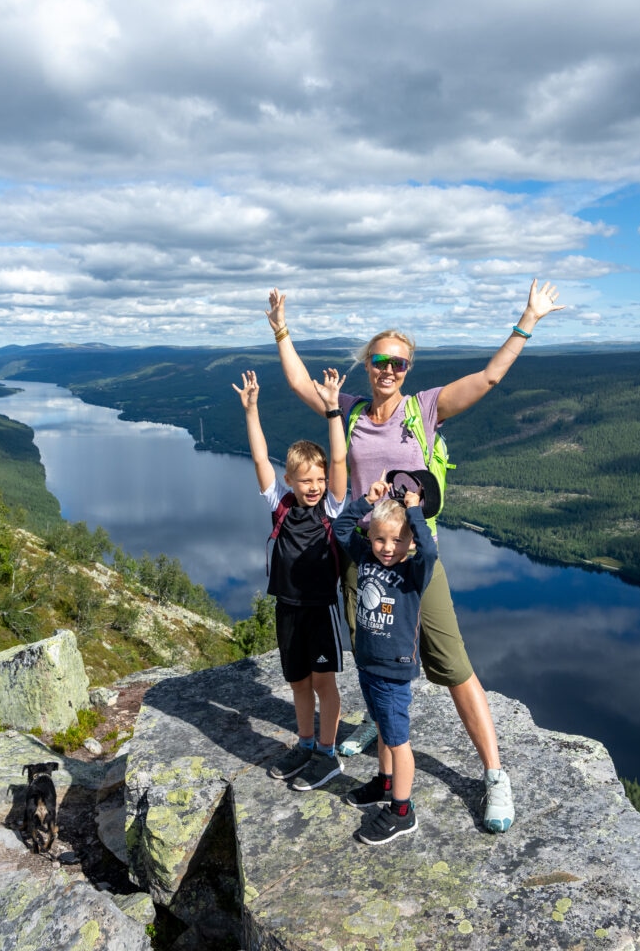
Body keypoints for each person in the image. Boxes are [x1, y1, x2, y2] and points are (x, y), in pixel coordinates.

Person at [267, 278, 565, 832]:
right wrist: (281, 330)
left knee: (451, 665)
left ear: (409, 370)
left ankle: (495, 775)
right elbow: (301, 385)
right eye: (381, 361)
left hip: (416, 566)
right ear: (368, 365)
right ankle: (386, 765)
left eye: (399, 364)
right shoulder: (350, 411)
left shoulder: (425, 409)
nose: (389, 370)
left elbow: (490, 377)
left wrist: (528, 319)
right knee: (376, 663)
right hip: (362, 561)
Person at [233, 367, 349, 791]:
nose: (316, 486)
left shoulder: (330, 510)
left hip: (320, 609)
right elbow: (261, 457)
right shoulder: (280, 505)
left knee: (324, 682)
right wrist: (251, 410)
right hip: (287, 608)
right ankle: (304, 743)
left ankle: (328, 752)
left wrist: (334, 409)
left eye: (319, 480)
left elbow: (338, 458)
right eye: (307, 480)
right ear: (291, 481)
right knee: (298, 681)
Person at [333, 472, 438, 844]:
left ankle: (402, 810)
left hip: (393, 671)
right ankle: (384, 782)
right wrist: (367, 499)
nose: (387, 547)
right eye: (379, 538)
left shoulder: (413, 572)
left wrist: (415, 514)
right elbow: (341, 529)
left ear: (409, 541)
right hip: (368, 665)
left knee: (398, 741)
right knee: (381, 730)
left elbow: (431, 551)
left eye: (397, 540)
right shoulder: (365, 557)